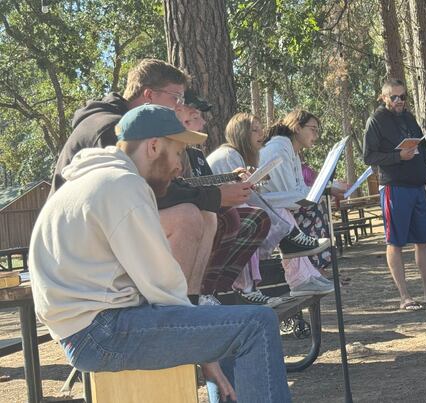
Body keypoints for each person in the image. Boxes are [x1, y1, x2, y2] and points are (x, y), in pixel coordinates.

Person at [29, 105, 292, 403]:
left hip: (86, 328)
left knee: (231, 324)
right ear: (153, 146)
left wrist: (205, 339)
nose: (179, 167)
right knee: (257, 324)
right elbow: (162, 285)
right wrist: (204, 350)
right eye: (177, 153)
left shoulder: (91, 180)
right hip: (100, 332)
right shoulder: (123, 184)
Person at [49, 58, 260, 304]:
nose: (179, 106)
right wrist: (216, 195)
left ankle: (191, 303)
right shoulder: (113, 129)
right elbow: (148, 191)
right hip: (79, 242)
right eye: (176, 98)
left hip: (105, 226)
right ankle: (169, 310)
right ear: (149, 95)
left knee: (206, 215)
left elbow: (150, 189)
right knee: (186, 218)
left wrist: (213, 196)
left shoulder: (132, 126)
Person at [208, 112, 335, 297]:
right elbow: (244, 198)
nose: (261, 134)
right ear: (240, 133)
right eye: (254, 130)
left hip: (229, 217)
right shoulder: (230, 155)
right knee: (272, 213)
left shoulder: (236, 155)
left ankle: (303, 273)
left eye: (261, 129)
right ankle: (286, 274)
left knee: (278, 211)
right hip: (220, 222)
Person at [363, 78, 426, 311]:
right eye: (394, 97)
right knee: (395, 242)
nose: (399, 101)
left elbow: (421, 146)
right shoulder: (376, 120)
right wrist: (398, 157)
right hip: (394, 188)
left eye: (402, 96)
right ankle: (404, 297)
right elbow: (369, 156)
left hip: (417, 186)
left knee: (424, 240)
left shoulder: (408, 117)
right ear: (384, 97)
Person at [174, 90, 276, 305]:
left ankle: (215, 289)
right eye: (195, 117)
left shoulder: (195, 154)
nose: (203, 123)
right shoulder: (171, 151)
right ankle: (202, 293)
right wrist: (221, 194)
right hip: (184, 220)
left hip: (200, 212)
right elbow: (175, 189)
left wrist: (230, 177)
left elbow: (204, 184)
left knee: (257, 217)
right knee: (228, 216)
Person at [259, 111, 347, 271]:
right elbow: (291, 197)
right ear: (297, 128)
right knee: (313, 209)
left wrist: (326, 189)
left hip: (280, 206)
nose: (316, 135)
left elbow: (298, 190)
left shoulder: (292, 151)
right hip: (269, 210)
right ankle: (310, 271)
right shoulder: (278, 150)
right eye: (313, 129)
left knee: (317, 204)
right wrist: (326, 189)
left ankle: (315, 270)